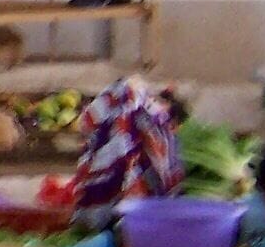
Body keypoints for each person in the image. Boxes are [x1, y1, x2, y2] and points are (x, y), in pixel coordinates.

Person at [70, 76, 184, 227]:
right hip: (120, 154)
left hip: (120, 157)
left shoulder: (152, 115)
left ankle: (111, 222)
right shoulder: (151, 114)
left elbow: (90, 123)